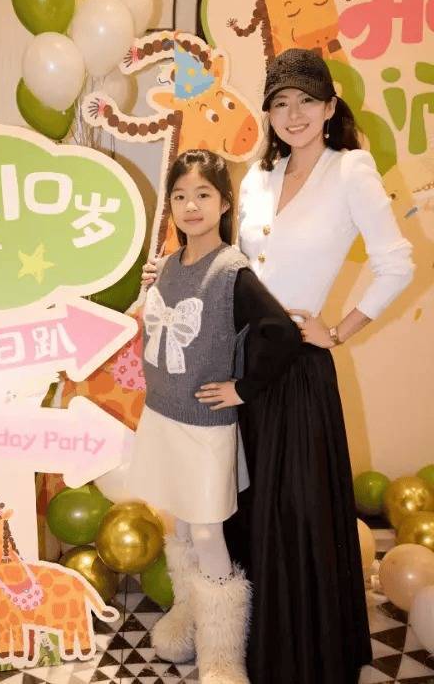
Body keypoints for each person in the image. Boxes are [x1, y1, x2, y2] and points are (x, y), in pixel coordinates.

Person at [143, 49, 414, 684]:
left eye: (306, 102)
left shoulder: (351, 171)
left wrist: (338, 331)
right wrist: (171, 270)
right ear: (268, 112)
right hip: (238, 363)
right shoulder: (259, 177)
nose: (293, 115)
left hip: (296, 371)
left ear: (330, 108)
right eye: (280, 103)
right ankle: (236, 645)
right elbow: (227, 262)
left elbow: (396, 263)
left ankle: (299, 654)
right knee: (238, 504)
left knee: (292, 509)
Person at [128, 148, 301, 684]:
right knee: (180, 525)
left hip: (204, 427)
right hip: (162, 414)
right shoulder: (167, 265)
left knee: (206, 532)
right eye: (180, 196)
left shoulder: (230, 271)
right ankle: (187, 619)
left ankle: (223, 656)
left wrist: (241, 389)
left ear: (224, 203)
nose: (190, 206)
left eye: (203, 194)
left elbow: (281, 333)